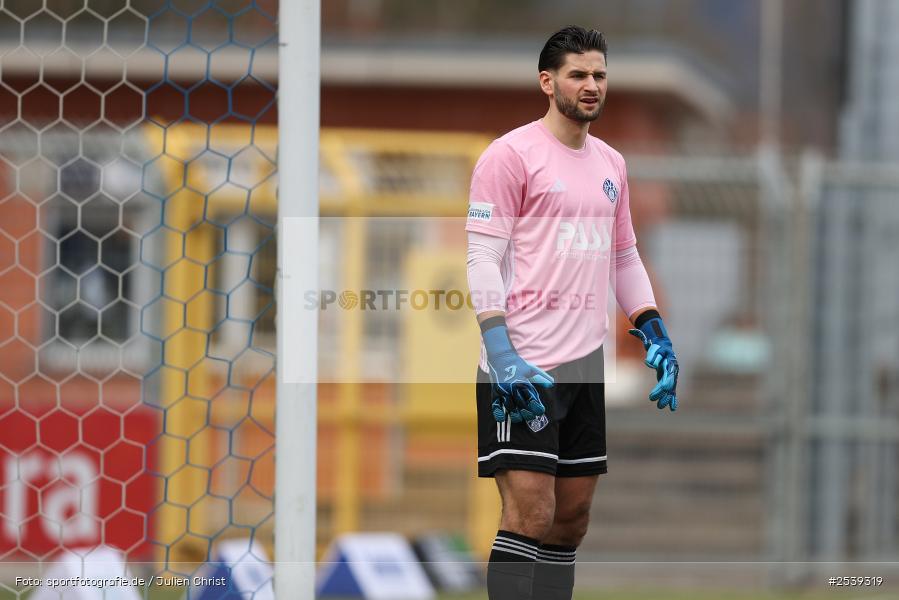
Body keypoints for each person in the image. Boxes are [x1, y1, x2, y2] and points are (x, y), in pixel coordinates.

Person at [465, 25, 680, 600]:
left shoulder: (612, 164)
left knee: (571, 518)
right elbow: (481, 258)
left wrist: (652, 327)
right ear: (547, 81)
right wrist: (501, 350)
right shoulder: (509, 156)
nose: (591, 86)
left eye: (600, 75)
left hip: (585, 366)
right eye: (578, 75)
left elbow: (625, 256)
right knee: (530, 513)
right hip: (521, 366)